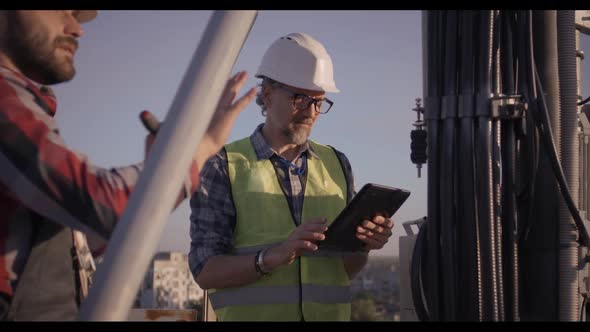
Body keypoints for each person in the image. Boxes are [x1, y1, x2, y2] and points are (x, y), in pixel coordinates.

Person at [0, 10, 256, 321]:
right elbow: (106, 207)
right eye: (63, 11)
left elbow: (87, 233)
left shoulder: (25, 106)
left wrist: (161, 173)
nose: (76, 30)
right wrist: (194, 153)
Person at [188, 32, 394, 321]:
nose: (311, 112)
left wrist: (365, 245)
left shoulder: (338, 164)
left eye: (319, 102)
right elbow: (205, 271)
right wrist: (270, 258)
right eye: (301, 98)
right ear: (268, 95)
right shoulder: (225, 165)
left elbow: (343, 269)